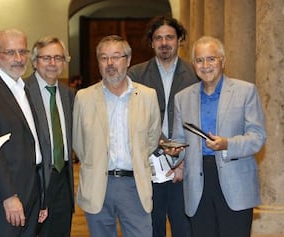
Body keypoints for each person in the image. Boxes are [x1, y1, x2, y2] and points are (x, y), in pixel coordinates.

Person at [168, 36, 267, 237]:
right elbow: (179, 138)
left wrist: (227, 144)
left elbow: (257, 137)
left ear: (222, 60)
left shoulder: (245, 91)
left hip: (235, 180)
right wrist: (173, 151)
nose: (205, 66)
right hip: (197, 182)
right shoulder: (182, 98)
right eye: (199, 60)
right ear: (193, 64)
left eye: (211, 59)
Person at [73, 35, 161, 237]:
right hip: (98, 186)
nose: (110, 63)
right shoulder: (84, 98)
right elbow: (79, 143)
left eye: (116, 57)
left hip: (135, 186)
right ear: (98, 62)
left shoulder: (148, 96)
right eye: (104, 58)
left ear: (128, 60)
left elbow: (152, 138)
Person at [0, 28, 47, 237]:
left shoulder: (25, 88)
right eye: (11, 52)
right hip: (3, 197)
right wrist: (9, 196)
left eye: (23, 52)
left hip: (31, 190)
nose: (19, 59)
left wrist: (42, 196)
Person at [127, 16, 198, 237]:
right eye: (158, 38)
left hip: (184, 167)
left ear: (179, 40)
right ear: (151, 43)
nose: (164, 43)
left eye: (169, 37)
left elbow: (200, 124)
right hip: (149, 167)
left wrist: (183, 164)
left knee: (184, 227)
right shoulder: (136, 76)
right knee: (151, 227)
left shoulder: (195, 75)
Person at [25, 36, 75, 237]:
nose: (52, 63)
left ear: (64, 62)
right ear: (35, 62)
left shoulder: (69, 94)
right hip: (34, 181)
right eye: (46, 58)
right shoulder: (23, 91)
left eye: (58, 58)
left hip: (63, 180)